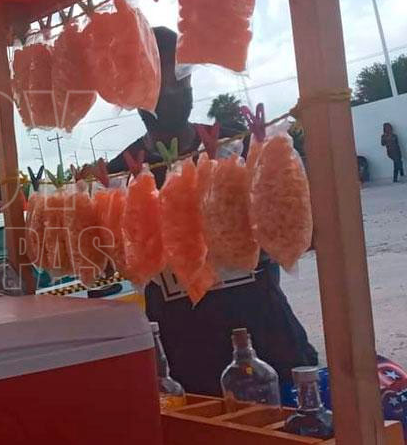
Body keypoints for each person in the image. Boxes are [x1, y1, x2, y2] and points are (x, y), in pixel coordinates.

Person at [108, 27, 318, 397]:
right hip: (186, 355)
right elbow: (118, 261)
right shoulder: (119, 174)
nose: (172, 93)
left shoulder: (240, 144)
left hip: (269, 337)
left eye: (180, 80)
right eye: (158, 83)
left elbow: (295, 223)